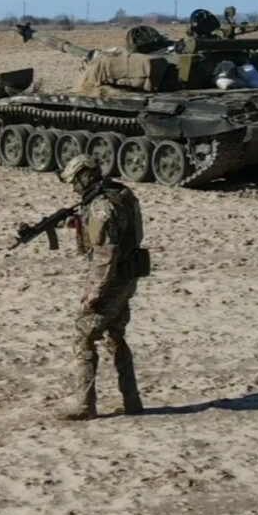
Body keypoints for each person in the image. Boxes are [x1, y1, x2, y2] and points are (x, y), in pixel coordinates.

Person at [57, 155, 150, 420]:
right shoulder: (121, 193)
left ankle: (84, 405)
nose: (74, 187)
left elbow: (104, 255)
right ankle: (132, 401)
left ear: (85, 176)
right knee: (115, 335)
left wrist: (94, 293)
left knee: (83, 335)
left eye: (75, 181)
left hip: (111, 280)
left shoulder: (100, 207)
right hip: (128, 276)